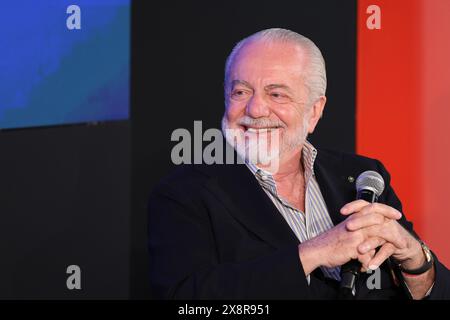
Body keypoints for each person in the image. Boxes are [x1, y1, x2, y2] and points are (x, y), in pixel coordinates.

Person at [147, 28, 450, 299]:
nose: (255, 108)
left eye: (276, 94)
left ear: (315, 111)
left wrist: (415, 259)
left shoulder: (363, 177)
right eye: (241, 92)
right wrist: (313, 253)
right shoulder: (185, 194)